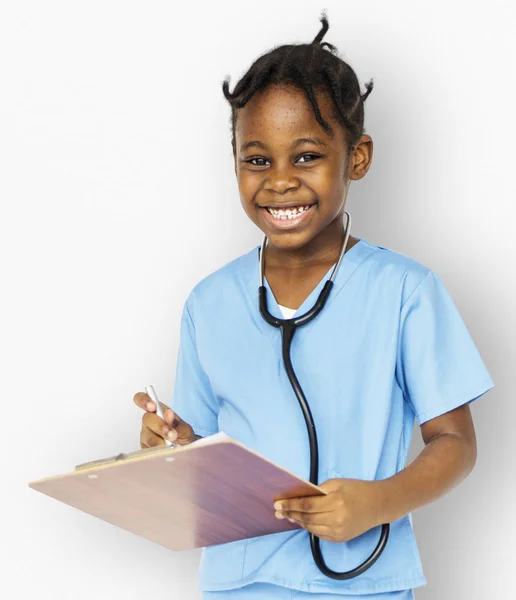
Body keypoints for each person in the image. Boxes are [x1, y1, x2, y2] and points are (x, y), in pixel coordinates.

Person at [133, 11, 494, 600]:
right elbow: (205, 451)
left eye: (305, 156)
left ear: (357, 157)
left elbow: (455, 444)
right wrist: (171, 443)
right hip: (238, 583)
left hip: (361, 581)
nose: (279, 180)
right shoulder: (210, 303)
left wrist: (377, 502)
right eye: (257, 159)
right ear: (234, 161)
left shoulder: (404, 291)